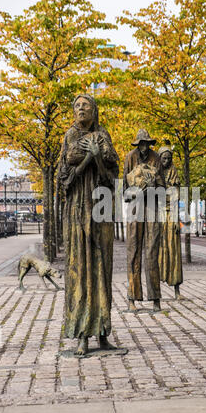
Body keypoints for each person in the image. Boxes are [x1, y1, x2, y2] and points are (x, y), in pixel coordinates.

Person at [58, 94, 119, 355]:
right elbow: (65, 178)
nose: (81, 109)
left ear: (95, 110)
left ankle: (103, 332)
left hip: (100, 208)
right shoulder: (69, 136)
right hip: (77, 211)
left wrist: (98, 159)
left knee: (102, 268)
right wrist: (88, 158)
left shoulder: (103, 134)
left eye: (86, 106)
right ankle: (82, 333)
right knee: (80, 268)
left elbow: (111, 175)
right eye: (77, 106)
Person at [123, 129, 165, 312]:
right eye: (141, 143)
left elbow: (163, 187)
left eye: (146, 143)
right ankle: (132, 297)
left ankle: (155, 298)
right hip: (134, 209)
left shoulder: (156, 158)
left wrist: (153, 190)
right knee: (133, 251)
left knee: (152, 253)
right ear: (137, 144)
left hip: (152, 209)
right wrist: (136, 192)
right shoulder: (129, 158)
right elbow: (124, 190)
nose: (144, 147)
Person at [157, 146, 183, 298]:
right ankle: (156, 289)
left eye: (169, 159)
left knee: (174, 250)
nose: (166, 161)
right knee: (159, 251)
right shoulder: (155, 172)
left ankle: (177, 290)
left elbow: (175, 198)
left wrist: (175, 219)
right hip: (157, 214)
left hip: (170, 214)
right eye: (163, 158)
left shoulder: (174, 174)